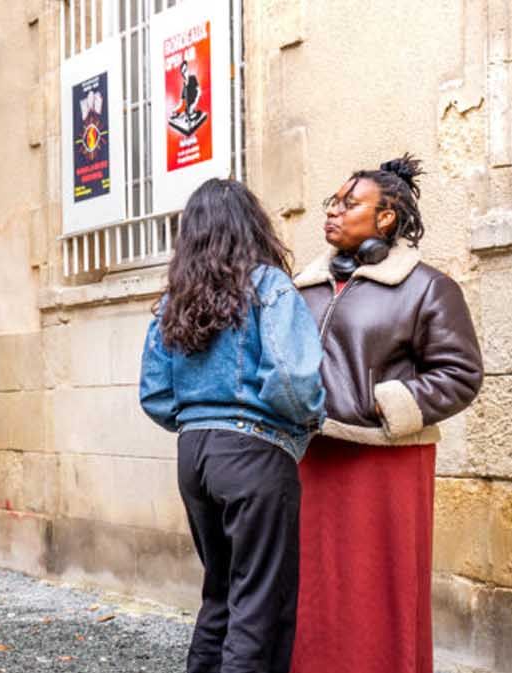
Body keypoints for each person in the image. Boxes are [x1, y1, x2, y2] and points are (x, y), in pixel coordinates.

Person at [290, 156, 482, 673]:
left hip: (384, 465)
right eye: (333, 201)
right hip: (308, 459)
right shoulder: (300, 286)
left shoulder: (427, 288)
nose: (333, 212)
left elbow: (460, 374)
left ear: (387, 218)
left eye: (350, 203)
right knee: (312, 593)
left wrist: (385, 404)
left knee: (376, 592)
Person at [139, 178, 326, 673]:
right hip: (255, 454)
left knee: (218, 594)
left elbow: (155, 395)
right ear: (253, 226)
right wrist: (310, 423)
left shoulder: (174, 300)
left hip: (194, 454)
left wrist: (201, 419)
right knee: (259, 603)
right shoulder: (270, 286)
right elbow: (292, 379)